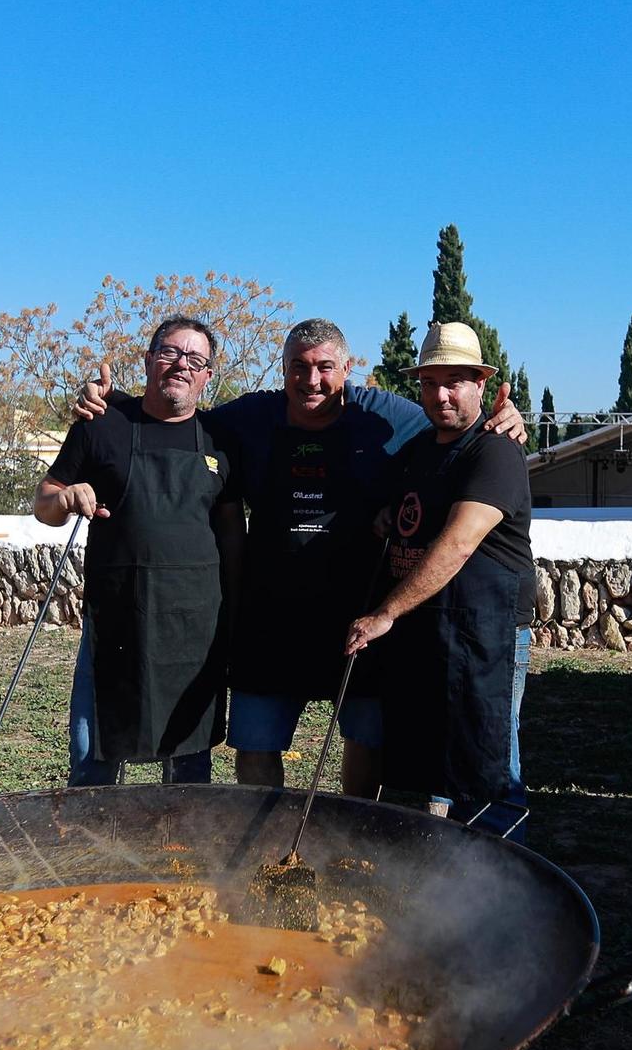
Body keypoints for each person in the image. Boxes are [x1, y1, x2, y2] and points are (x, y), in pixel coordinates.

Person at [73, 319, 528, 798]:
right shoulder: (249, 417)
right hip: (270, 617)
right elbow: (178, 414)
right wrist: (113, 405)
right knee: (254, 746)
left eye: (325, 368)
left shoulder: (390, 416)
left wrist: (507, 420)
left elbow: (454, 427)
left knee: (367, 738)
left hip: (359, 617)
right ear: (284, 369)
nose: (311, 381)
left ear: (347, 369)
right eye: (298, 368)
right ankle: (267, 846)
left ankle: (349, 836)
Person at [344, 322, 534, 836]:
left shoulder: (494, 450)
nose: (441, 395)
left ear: (482, 385)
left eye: (454, 381)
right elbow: (415, 513)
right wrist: (389, 515)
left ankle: (503, 886)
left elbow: (458, 542)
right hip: (434, 629)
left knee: (488, 761)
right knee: (438, 762)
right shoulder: (420, 449)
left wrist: (386, 612)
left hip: (487, 632)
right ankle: (446, 877)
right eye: (430, 383)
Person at [36, 316, 244, 786]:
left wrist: (235, 609)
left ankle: (179, 856)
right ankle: (92, 854)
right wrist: (64, 499)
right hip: (114, 620)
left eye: (196, 359)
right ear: (149, 360)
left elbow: (232, 533)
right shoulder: (101, 425)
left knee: (189, 766)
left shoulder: (223, 441)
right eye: (170, 353)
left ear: (208, 375)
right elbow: (43, 503)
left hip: (195, 626)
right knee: (94, 756)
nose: (181, 366)